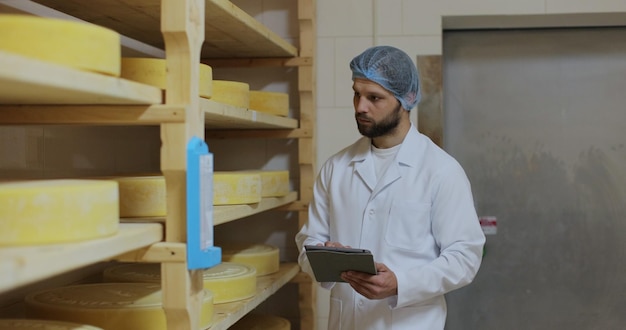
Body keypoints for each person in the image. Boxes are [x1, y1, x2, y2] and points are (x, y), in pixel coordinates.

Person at [295, 45, 486, 330]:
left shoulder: (441, 171)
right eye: (356, 94)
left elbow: (465, 257)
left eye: (374, 98)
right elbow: (306, 244)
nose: (360, 106)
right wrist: (327, 258)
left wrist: (401, 283)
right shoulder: (336, 168)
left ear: (405, 99)